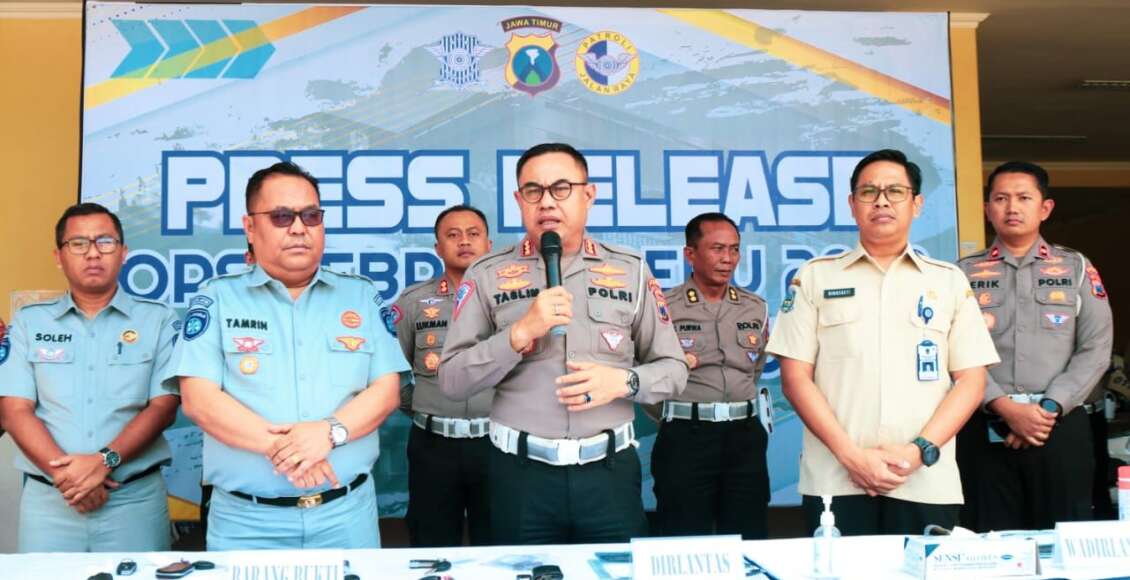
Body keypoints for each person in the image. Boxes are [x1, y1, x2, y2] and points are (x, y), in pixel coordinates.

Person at [440, 143, 687, 544]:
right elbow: (452, 380)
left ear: (588, 195)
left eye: (561, 188)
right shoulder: (486, 273)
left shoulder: (630, 269)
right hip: (519, 477)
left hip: (609, 474)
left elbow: (675, 370)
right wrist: (519, 334)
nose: (546, 202)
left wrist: (623, 382)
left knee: (614, 572)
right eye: (533, 191)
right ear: (519, 200)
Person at [163, 161, 411, 549]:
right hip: (246, 523)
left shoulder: (361, 296)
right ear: (250, 227)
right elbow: (200, 401)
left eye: (310, 216)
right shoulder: (217, 299)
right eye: (281, 216)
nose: (298, 228)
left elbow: (386, 390)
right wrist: (291, 451)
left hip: (345, 517)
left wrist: (328, 433)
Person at [767, 149, 999, 535]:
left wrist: (918, 451)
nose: (881, 201)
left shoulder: (947, 281)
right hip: (836, 482)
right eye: (868, 192)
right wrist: (851, 457)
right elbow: (795, 379)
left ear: (917, 204)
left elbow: (972, 381)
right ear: (851, 205)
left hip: (925, 481)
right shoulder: (815, 278)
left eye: (895, 191)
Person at [0, 203, 180, 552]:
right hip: (51, 503)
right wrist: (68, 478)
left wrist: (104, 462)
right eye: (78, 243)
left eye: (105, 242)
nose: (93, 253)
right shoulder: (28, 323)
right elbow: (14, 411)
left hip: (133, 502)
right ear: (59, 256)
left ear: (123, 253)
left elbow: (163, 407)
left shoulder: (158, 320)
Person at [955, 161, 1112, 531]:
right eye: (1001, 199)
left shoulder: (1075, 267)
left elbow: (1096, 346)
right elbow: (954, 350)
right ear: (987, 208)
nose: (1012, 207)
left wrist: (1048, 408)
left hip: (1059, 425)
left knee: (1065, 537)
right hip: (985, 425)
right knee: (988, 540)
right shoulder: (961, 273)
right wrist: (1003, 406)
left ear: (1045, 208)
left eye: (1024, 198)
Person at [652, 212, 771, 539]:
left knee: (749, 535)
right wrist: (677, 414)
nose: (728, 258)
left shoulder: (755, 307)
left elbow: (754, 368)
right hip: (686, 436)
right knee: (684, 536)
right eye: (717, 249)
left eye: (734, 249)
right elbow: (648, 374)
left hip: (744, 435)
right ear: (690, 254)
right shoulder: (664, 307)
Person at [395, 204, 493, 546]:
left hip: (498, 444)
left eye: (473, 234)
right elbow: (396, 373)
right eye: (453, 235)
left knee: (499, 544)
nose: (464, 241)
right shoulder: (413, 302)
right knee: (431, 544)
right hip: (433, 445)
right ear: (438, 248)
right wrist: (428, 408)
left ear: (489, 244)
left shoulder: (511, 302)